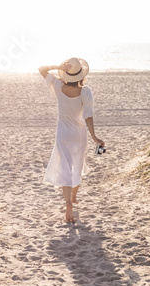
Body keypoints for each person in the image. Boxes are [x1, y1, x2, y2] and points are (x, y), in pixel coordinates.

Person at [38, 58, 105, 223]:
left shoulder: (58, 86)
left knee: (65, 167)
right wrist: (95, 137)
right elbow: (88, 116)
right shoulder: (86, 91)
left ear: (65, 72)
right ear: (81, 74)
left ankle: (68, 203)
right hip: (79, 135)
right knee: (77, 166)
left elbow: (41, 68)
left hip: (62, 135)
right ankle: (74, 196)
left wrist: (56, 66)